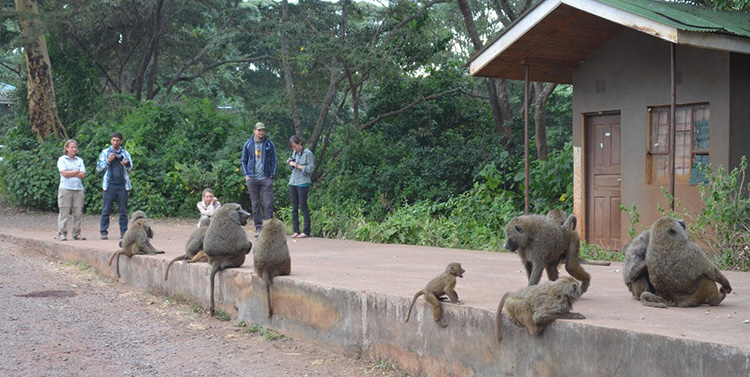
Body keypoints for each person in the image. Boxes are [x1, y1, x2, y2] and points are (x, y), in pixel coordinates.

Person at [241, 122, 277, 237]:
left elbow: (274, 160)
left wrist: (271, 175)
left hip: (266, 177)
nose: (261, 132)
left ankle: (268, 228)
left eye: (263, 130)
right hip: (252, 178)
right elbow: (243, 160)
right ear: (254, 131)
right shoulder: (248, 144)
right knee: (255, 203)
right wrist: (246, 175)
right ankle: (258, 227)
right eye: (259, 130)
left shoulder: (269, 144)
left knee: (268, 203)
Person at [97, 132, 133, 240]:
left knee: (123, 210)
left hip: (122, 185)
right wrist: (108, 161)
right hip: (109, 185)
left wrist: (126, 164)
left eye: (117, 140)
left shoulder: (125, 153)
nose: (115, 142)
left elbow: (131, 169)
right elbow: (99, 169)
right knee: (106, 210)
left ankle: (124, 232)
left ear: (121, 141)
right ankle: (104, 232)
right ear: (111, 141)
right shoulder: (105, 152)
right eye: (113, 140)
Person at [56, 139, 86, 241]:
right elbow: (63, 173)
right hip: (65, 189)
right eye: (72, 147)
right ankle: (62, 233)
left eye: (75, 147)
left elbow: (83, 175)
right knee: (64, 212)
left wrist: (71, 172)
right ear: (67, 148)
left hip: (78, 189)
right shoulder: (62, 160)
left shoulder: (79, 160)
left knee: (77, 212)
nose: (74, 149)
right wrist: (76, 171)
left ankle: (77, 233)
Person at [287, 135, 314, 238]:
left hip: (303, 182)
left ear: (300, 143)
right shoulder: (294, 153)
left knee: (303, 206)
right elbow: (292, 168)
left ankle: (306, 231)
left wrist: (298, 166)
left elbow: (311, 169)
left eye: (295, 146)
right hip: (293, 182)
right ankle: (296, 230)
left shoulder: (308, 154)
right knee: (294, 207)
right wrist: (290, 163)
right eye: (293, 147)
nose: (294, 148)